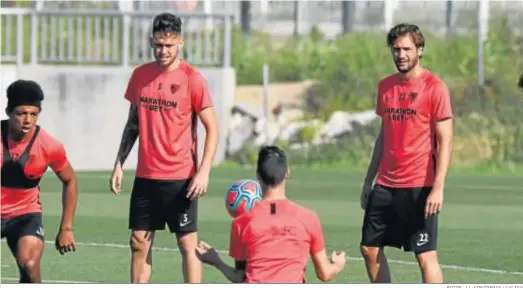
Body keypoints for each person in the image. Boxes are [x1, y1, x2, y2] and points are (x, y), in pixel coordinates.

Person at [109, 12, 219, 284]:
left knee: (187, 245)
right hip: (146, 177)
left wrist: (203, 172)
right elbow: (133, 123)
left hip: (181, 178)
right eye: (158, 44)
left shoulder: (193, 79)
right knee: (138, 242)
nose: (163, 51)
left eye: (169, 45)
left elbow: (212, 128)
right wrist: (119, 164)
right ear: (151, 42)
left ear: (180, 42)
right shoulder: (140, 76)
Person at [359, 23, 453, 284]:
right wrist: (369, 180)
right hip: (386, 184)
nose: (401, 54)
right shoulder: (386, 87)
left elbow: (445, 141)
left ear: (420, 50)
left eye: (407, 49)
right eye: (396, 49)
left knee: (425, 255)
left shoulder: (435, 88)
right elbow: (383, 135)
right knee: (369, 248)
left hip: (419, 186)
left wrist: (439, 187)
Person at [195, 146, 346, 283]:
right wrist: (338, 264)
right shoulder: (309, 218)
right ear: (287, 173)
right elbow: (325, 274)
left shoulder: (241, 222)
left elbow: (238, 277)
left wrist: (215, 260)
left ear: (258, 177)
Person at [1, 80, 78, 283]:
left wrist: (66, 228)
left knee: (30, 265)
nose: (27, 120)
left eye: (33, 114)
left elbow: (70, 181)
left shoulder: (48, 145)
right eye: (21, 113)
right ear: (8, 111)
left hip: (25, 215)